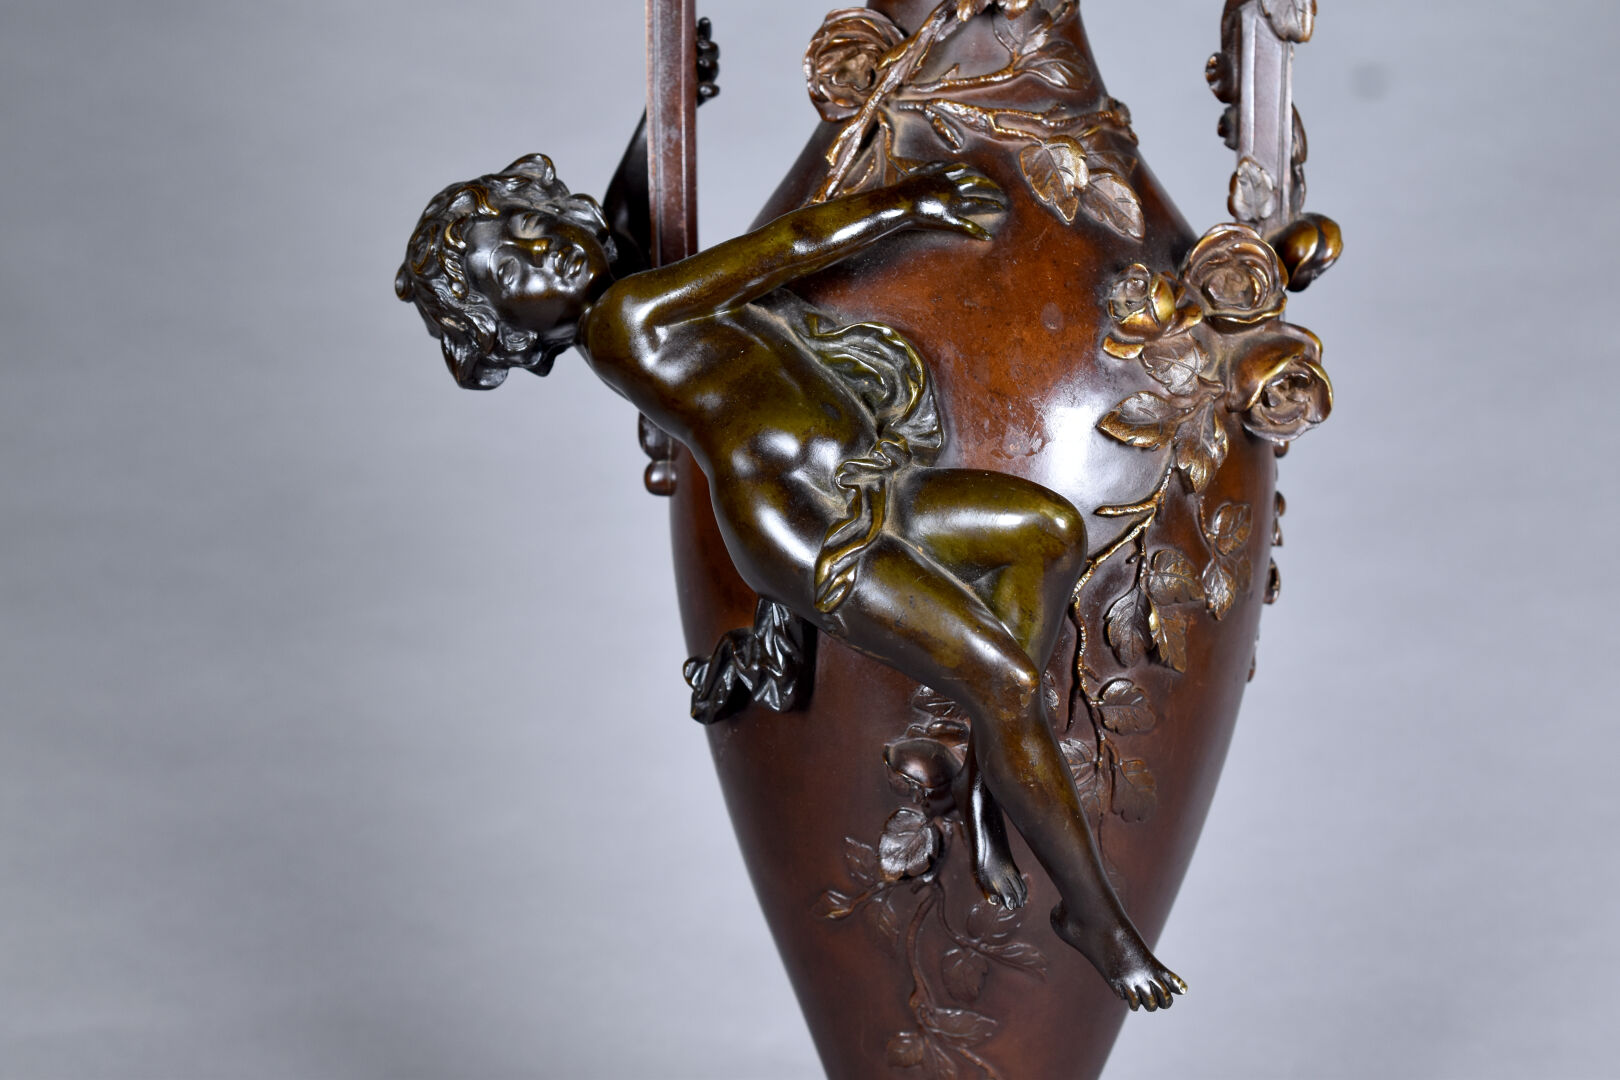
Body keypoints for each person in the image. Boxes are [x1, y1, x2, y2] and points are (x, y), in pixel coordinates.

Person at [394, 154, 1186, 1012]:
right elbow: (789, 245)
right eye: (510, 271)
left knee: (1049, 533)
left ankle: (1000, 770)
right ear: (511, 331)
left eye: (528, 222)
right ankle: (1093, 917)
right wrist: (910, 200)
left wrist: (663, 112)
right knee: (1008, 683)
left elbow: (626, 220)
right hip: (802, 528)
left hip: (870, 484)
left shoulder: (628, 290)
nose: (539, 249)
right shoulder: (625, 316)